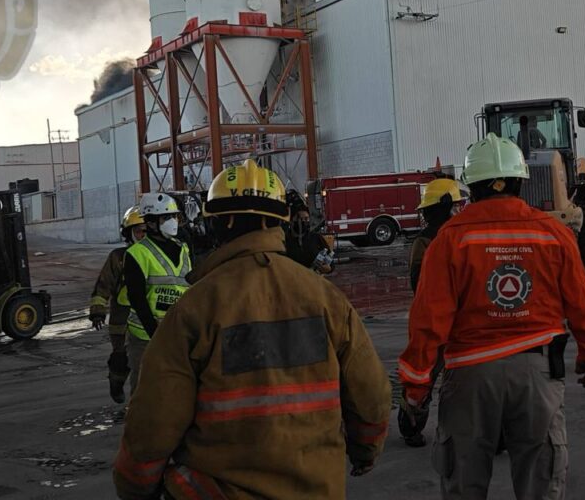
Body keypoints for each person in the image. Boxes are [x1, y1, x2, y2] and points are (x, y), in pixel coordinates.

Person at [113, 160, 391, 499]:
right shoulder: (325, 298)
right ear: (279, 221)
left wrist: (135, 487)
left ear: (221, 222)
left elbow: (152, 424)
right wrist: (364, 450)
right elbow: (371, 396)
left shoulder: (195, 308)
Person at [398, 134, 585, 500]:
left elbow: (427, 323)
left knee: (464, 484)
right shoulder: (553, 234)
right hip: (538, 376)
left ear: (472, 186)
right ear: (519, 180)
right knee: (541, 484)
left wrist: (416, 390)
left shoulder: (448, 241)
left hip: (468, 377)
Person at [399, 177, 464, 448]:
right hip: (445, 321)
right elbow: (419, 282)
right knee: (430, 375)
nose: (461, 209)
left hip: (445, 320)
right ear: (447, 206)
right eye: (457, 205)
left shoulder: (439, 239)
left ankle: (413, 424)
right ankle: (412, 423)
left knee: (430, 376)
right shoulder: (431, 242)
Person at [116, 192, 193, 393]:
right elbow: (138, 299)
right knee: (145, 391)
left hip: (179, 333)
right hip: (146, 336)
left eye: (174, 216)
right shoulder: (137, 254)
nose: (172, 222)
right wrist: (156, 332)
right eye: (166, 217)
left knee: (179, 390)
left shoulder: (183, 249)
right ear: (150, 223)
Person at [88, 206, 146, 403]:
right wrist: (97, 311)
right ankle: (116, 381)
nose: (143, 235)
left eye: (146, 231)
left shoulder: (156, 257)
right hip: (121, 322)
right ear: (128, 234)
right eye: (139, 231)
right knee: (121, 359)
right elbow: (103, 285)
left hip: (147, 322)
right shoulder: (118, 258)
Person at [283, 192, 334, 274]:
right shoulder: (284, 239)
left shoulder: (316, 238)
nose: (303, 222)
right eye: (299, 218)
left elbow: (330, 262)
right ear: (292, 220)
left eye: (306, 219)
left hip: (314, 283)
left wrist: (329, 268)